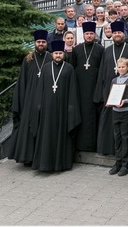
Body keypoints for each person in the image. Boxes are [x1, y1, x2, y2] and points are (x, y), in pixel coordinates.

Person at [31, 39, 81, 172]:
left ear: (64, 54)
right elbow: (40, 89)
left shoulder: (69, 68)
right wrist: (39, 105)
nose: (58, 55)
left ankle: (60, 164)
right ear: (52, 54)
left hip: (62, 110)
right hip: (47, 110)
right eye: (55, 53)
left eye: (60, 53)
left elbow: (73, 90)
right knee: (46, 135)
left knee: (61, 136)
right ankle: (44, 164)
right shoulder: (46, 68)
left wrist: (71, 108)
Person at [7, 29, 52, 166]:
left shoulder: (50, 58)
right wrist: (21, 102)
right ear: (34, 43)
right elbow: (22, 83)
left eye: (43, 42)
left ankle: (42, 157)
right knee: (28, 129)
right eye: (38, 42)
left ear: (46, 43)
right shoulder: (28, 60)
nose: (41, 44)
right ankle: (28, 158)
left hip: (46, 100)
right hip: (30, 101)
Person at [93, 21, 128, 156]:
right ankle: (110, 152)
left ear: (123, 34)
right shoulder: (107, 51)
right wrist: (100, 94)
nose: (117, 35)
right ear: (111, 34)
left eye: (119, 32)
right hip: (109, 92)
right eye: (114, 33)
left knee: (124, 131)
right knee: (111, 128)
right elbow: (101, 72)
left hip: (126, 96)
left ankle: (125, 157)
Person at [71, 22, 105, 152]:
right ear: (83, 35)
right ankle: (80, 145)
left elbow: (102, 70)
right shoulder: (77, 50)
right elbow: (73, 69)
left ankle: (93, 145)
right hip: (80, 90)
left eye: (91, 33)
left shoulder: (100, 49)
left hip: (94, 90)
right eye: (87, 34)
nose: (89, 36)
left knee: (92, 118)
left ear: (94, 34)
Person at [106, 57, 128, 177]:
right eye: (119, 67)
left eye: (123, 67)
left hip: (126, 112)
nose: (121, 69)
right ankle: (118, 162)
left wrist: (124, 101)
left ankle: (126, 164)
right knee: (117, 138)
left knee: (126, 138)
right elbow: (112, 94)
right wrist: (110, 101)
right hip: (115, 112)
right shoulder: (114, 80)